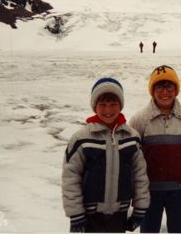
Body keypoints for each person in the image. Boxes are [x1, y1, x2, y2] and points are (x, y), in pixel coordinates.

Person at [62, 77, 150, 233]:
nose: (108, 110)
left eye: (113, 104)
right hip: (89, 217)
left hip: (119, 215)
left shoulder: (131, 137)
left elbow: (140, 175)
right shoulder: (81, 139)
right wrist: (76, 214)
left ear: (120, 106)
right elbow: (71, 177)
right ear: (95, 106)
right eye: (102, 105)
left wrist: (140, 208)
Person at [130, 65, 181, 233]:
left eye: (169, 86)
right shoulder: (139, 120)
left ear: (176, 89)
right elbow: (131, 156)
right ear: (152, 90)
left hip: (179, 191)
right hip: (149, 191)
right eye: (159, 86)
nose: (165, 92)